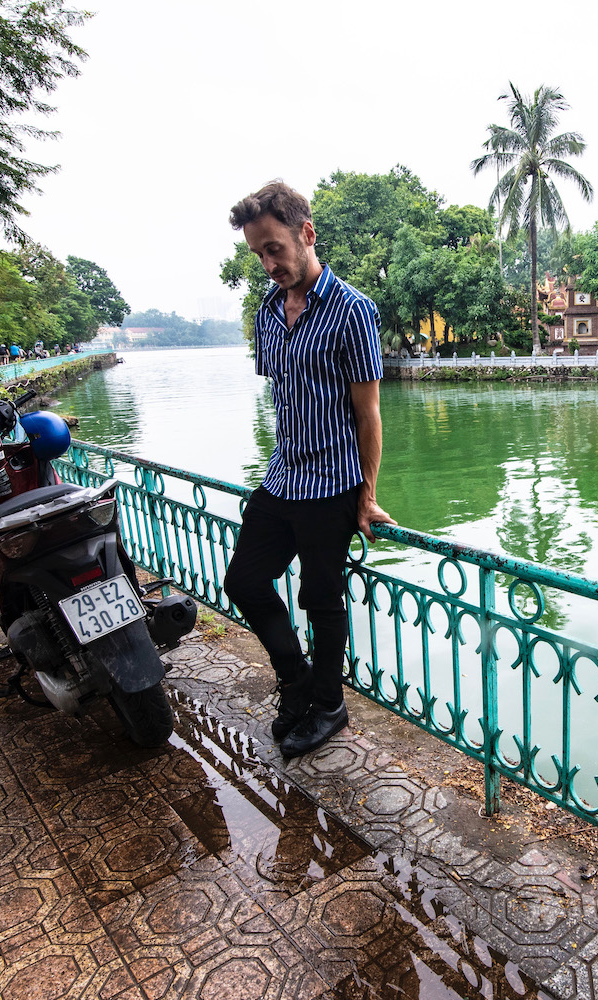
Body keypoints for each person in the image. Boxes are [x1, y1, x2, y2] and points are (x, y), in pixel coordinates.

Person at [222, 179, 394, 759]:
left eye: (275, 247)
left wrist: (367, 497)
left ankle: (329, 704)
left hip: (332, 485)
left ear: (306, 233)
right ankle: (295, 680)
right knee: (243, 580)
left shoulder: (353, 311)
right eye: (259, 253)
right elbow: (283, 393)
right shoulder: (267, 312)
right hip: (281, 477)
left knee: (322, 600)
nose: (269, 263)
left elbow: (368, 413)